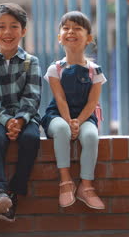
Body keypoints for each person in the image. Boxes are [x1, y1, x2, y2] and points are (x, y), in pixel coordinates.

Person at [0, 3, 41, 222]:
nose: (8, 32)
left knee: (32, 139)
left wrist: (20, 120)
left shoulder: (31, 62)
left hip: (24, 116)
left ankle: (15, 190)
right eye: (1, 27)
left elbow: (32, 96)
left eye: (14, 26)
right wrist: (7, 122)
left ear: (23, 31)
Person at [41, 11, 106, 210]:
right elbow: (59, 98)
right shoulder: (55, 69)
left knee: (90, 137)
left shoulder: (95, 70)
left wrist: (79, 122)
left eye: (77, 28)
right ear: (59, 37)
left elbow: (92, 102)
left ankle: (86, 187)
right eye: (66, 28)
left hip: (85, 117)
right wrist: (70, 121)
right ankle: (65, 181)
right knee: (62, 130)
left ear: (89, 38)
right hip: (58, 115)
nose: (71, 32)